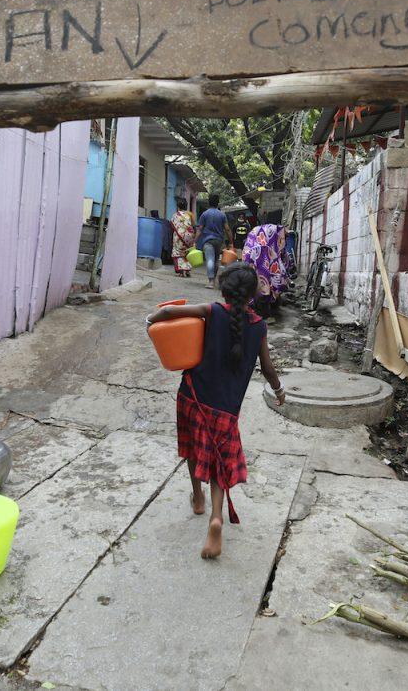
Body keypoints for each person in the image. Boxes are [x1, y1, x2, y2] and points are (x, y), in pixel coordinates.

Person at [146, 263, 285, 559]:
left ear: (224, 290)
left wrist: (151, 320)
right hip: (226, 409)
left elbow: (169, 313)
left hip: (194, 395)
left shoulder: (212, 311)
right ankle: (216, 518)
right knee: (220, 463)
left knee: (192, 448)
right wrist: (279, 390)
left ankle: (197, 498)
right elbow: (268, 367)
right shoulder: (259, 326)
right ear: (250, 296)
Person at [242, 224, 290, 318]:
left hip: (252, 274)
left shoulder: (257, 237)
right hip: (260, 274)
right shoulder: (264, 249)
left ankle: (258, 311)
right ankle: (263, 314)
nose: (282, 241)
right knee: (265, 286)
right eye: (282, 238)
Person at [195, 194, 233, 289]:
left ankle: (211, 281)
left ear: (209, 202)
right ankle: (214, 280)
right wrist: (231, 241)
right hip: (219, 241)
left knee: (210, 260)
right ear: (218, 202)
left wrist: (195, 241)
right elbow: (227, 229)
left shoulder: (205, 214)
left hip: (207, 240)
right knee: (216, 260)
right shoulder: (222, 214)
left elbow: (199, 229)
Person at [170, 198, 196, 277]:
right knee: (187, 253)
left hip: (178, 237)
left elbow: (172, 225)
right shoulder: (190, 214)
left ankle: (181, 272)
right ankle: (187, 271)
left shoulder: (175, 215)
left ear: (178, 206)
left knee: (178, 253)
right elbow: (193, 225)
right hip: (189, 237)